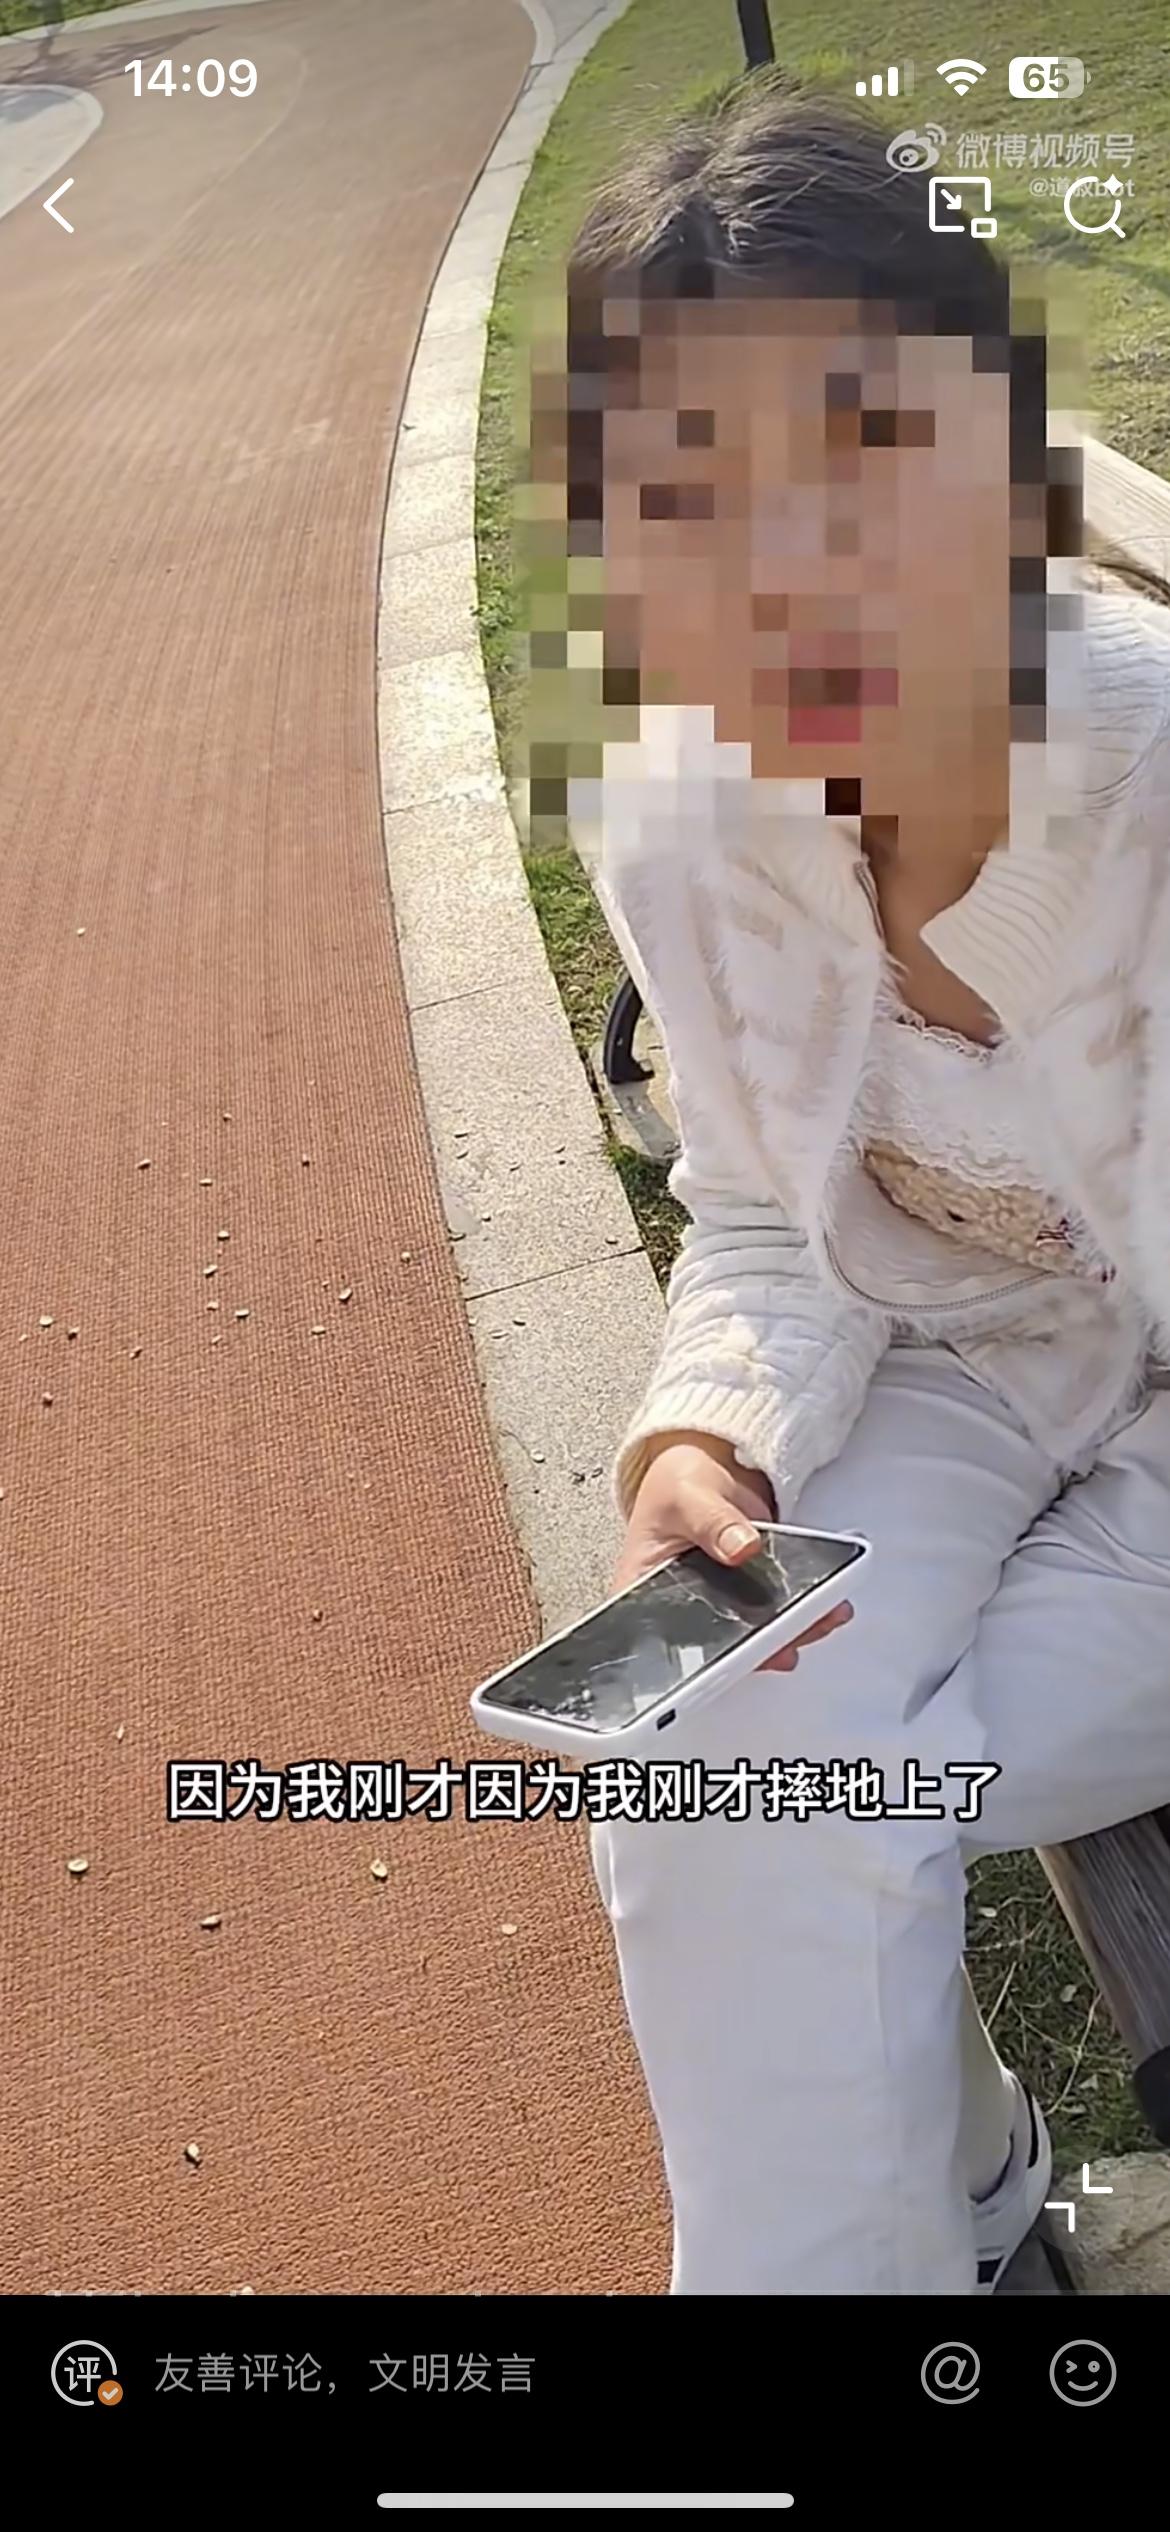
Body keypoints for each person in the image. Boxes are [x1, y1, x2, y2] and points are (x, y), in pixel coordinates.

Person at [558, 75, 1170, 2294]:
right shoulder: (674, 811)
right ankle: (924, 2229)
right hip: (963, 1349)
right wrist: (706, 1432)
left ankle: (967, 2194)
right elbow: (756, 1205)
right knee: (703, 1751)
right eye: (686, 507)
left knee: (801, 1800)